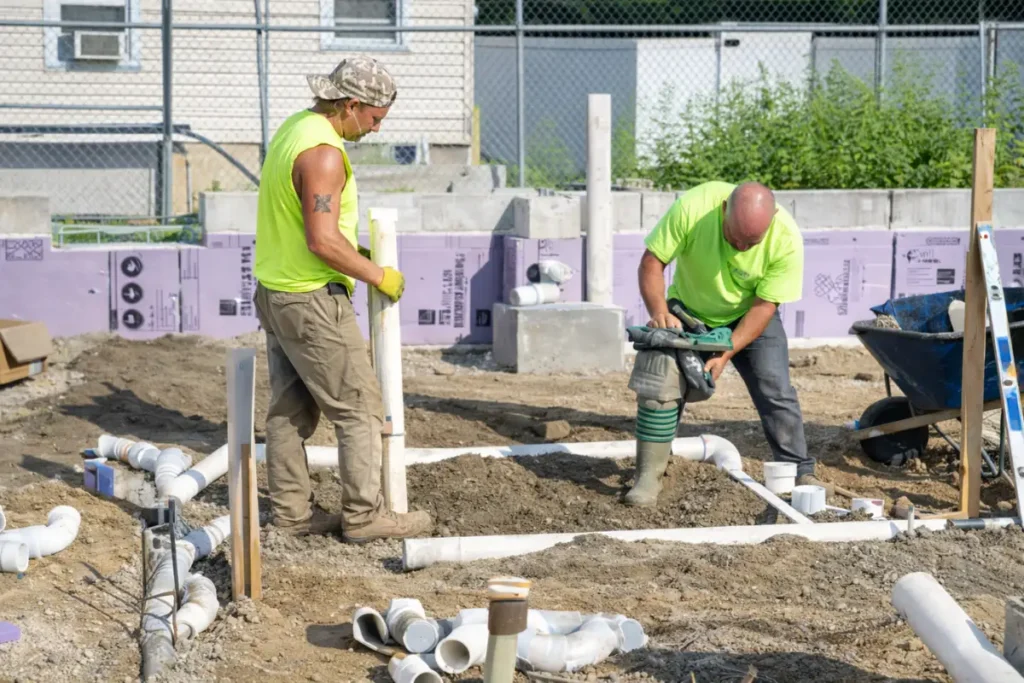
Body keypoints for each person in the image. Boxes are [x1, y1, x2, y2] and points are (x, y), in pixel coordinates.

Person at [252, 55, 432, 542]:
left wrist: (353, 251)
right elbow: (321, 241)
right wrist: (377, 275)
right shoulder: (326, 155)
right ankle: (363, 516)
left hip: (276, 290)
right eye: (374, 119)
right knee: (360, 409)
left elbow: (308, 224)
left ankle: (291, 516)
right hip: (311, 299)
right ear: (351, 105)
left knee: (290, 410)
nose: (374, 130)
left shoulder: (296, 128)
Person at [624, 180, 830, 507]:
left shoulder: (786, 239)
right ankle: (649, 475)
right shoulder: (694, 208)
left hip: (751, 313)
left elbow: (765, 305)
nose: (743, 248)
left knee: (774, 387)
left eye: (752, 242)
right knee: (661, 377)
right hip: (690, 310)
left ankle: (798, 469)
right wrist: (660, 314)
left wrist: (727, 351)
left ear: (772, 219)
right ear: (723, 211)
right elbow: (652, 261)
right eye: (735, 238)